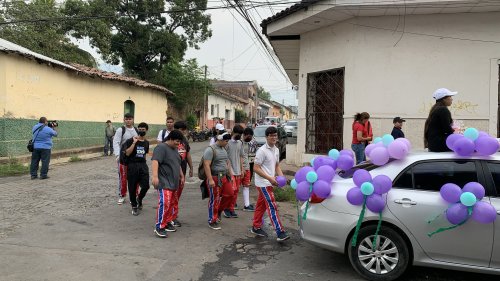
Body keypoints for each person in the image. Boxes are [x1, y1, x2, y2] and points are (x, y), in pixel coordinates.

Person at [250, 126, 290, 242]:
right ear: (266, 137)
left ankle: (256, 226)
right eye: (271, 135)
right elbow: (256, 168)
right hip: (263, 183)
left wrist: (281, 177)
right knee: (272, 206)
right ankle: (280, 232)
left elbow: (277, 165)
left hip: (270, 182)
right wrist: (270, 178)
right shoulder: (262, 151)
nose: (274, 137)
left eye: (275, 135)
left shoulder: (276, 150)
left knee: (261, 205)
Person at [152, 130, 185, 238]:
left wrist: (181, 175)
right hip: (164, 181)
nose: (178, 144)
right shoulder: (161, 148)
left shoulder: (175, 149)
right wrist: (155, 177)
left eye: (179, 141)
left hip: (174, 182)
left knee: (171, 204)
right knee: (165, 203)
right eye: (176, 141)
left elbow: (177, 163)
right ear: (170, 138)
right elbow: (155, 161)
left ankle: (166, 223)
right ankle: (159, 227)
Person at [203, 131, 233, 230]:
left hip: (224, 177)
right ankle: (212, 220)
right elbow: (206, 165)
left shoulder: (223, 149)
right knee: (214, 199)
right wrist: (210, 179)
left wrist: (230, 174)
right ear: (220, 139)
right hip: (215, 177)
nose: (227, 143)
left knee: (230, 194)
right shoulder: (210, 149)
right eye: (225, 141)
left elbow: (226, 161)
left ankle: (219, 211)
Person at [123, 122, 150, 216]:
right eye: (140, 129)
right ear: (137, 129)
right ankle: (134, 206)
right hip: (132, 165)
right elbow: (127, 153)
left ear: (146, 130)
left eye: (143, 129)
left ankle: (139, 199)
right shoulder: (131, 140)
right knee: (132, 188)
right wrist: (134, 142)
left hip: (143, 165)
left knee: (146, 186)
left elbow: (144, 154)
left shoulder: (146, 142)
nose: (141, 131)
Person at [171, 121, 194, 227]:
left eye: (183, 130)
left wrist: (191, 167)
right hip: (171, 173)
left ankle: (173, 215)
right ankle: (172, 217)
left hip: (182, 172)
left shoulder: (184, 140)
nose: (182, 132)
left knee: (177, 195)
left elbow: (188, 153)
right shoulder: (170, 140)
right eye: (180, 130)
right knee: (172, 195)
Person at [113, 113, 139, 205]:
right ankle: (122, 195)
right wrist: (117, 155)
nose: (128, 120)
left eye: (130, 119)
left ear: (133, 119)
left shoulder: (136, 130)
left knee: (135, 177)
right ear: (124, 120)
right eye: (126, 119)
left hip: (134, 158)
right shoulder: (121, 130)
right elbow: (116, 142)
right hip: (123, 158)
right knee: (123, 178)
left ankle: (135, 195)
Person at [424, 88, 457, 152]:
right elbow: (447, 129)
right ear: (444, 99)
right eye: (450, 96)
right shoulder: (443, 110)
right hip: (440, 144)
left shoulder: (435, 109)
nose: (452, 99)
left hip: (434, 145)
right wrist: (457, 132)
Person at [223, 125, 245, 219]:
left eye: (240, 134)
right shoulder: (227, 143)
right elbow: (224, 157)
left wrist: (242, 169)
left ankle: (231, 209)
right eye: (238, 134)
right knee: (230, 191)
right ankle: (226, 209)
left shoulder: (240, 143)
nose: (239, 135)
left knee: (236, 192)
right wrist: (229, 170)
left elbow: (241, 156)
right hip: (229, 171)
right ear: (233, 132)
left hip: (238, 171)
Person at [242, 127, 258, 211]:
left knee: (246, 185)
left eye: (251, 137)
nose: (251, 138)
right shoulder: (239, 143)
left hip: (249, 164)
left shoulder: (252, 141)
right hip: (239, 167)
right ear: (246, 135)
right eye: (250, 137)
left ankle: (247, 205)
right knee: (235, 188)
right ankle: (232, 205)